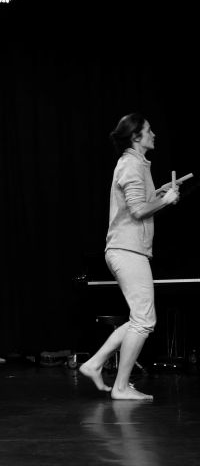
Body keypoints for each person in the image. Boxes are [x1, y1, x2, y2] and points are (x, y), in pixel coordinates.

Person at [80, 114, 180, 400]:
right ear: (136, 136)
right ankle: (121, 387)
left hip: (128, 249)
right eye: (149, 130)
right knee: (144, 321)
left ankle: (95, 364)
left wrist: (158, 194)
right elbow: (137, 211)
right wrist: (165, 200)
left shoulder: (137, 164)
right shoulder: (131, 164)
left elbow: (135, 203)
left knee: (140, 318)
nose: (154, 134)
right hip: (127, 249)